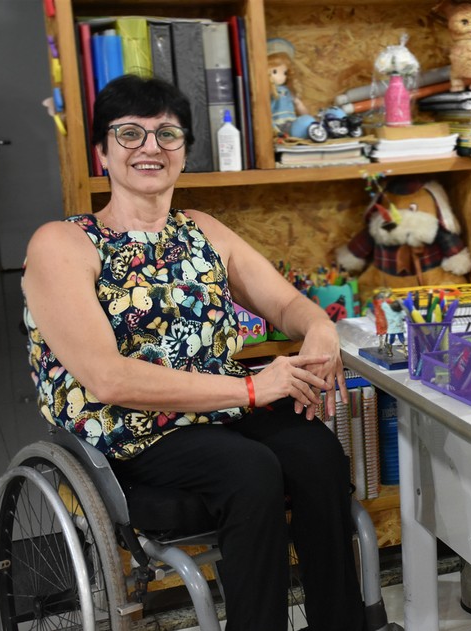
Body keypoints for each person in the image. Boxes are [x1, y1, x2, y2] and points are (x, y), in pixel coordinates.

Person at [22, 74, 366, 631]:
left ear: (184, 151)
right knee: (250, 470)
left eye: (167, 135)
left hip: (219, 406)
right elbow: (107, 379)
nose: (150, 148)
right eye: (130, 134)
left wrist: (320, 332)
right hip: (130, 425)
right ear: (102, 152)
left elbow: (287, 304)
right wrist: (254, 388)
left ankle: (342, 623)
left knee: (317, 453)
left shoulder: (203, 231)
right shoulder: (63, 244)